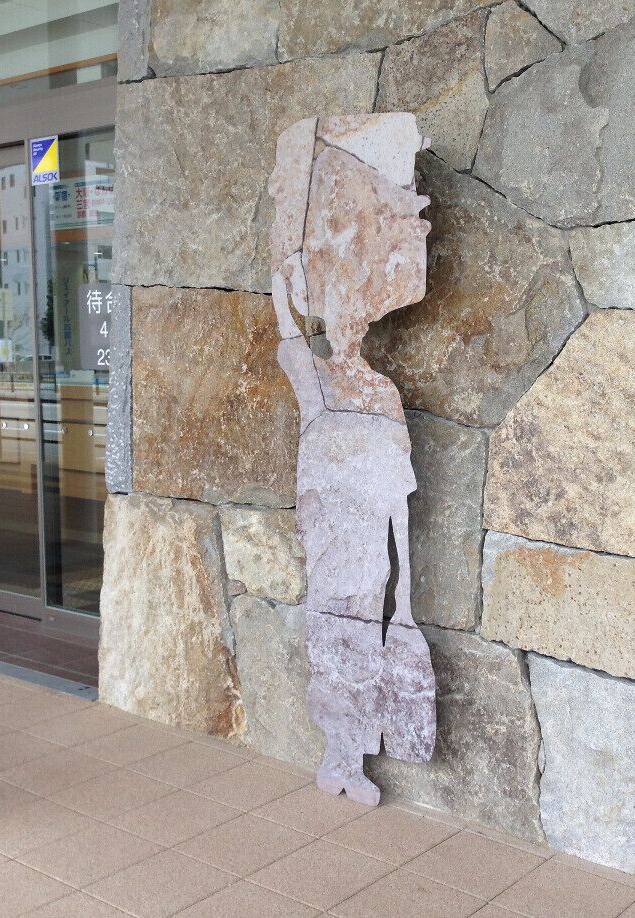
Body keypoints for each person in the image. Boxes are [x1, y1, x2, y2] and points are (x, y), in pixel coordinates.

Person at [266, 113, 436, 805]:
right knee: (332, 638)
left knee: (363, 643)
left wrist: (407, 585)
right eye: (345, 314)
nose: (351, 327)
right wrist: (300, 184)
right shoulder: (312, 376)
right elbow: (285, 324)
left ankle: (352, 757)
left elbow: (400, 501)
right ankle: (338, 753)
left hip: (370, 547)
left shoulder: (382, 392)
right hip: (331, 543)